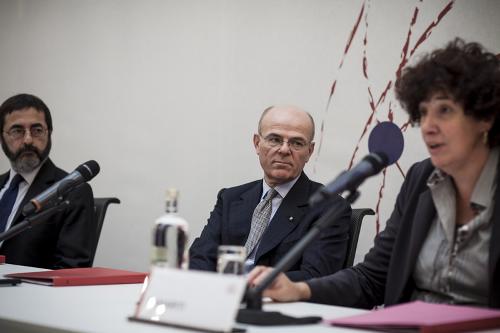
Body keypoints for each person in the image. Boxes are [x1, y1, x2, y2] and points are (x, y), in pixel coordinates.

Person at [248, 39, 500, 308]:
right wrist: (298, 290)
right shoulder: (421, 178)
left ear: (485, 117)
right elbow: (372, 279)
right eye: (423, 113)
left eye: (445, 111)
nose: (427, 126)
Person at [189, 105, 351, 281]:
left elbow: (316, 276)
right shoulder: (230, 198)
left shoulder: (328, 207)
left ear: (309, 152)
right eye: (274, 139)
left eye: (297, 143)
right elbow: (200, 257)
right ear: (257, 143)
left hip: (274, 303)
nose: (284, 150)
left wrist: (247, 286)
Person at [0, 93, 96, 269]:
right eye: (17, 131)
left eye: (37, 130)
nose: (28, 140)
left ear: (49, 133)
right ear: (2, 137)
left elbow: (71, 270)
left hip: (30, 294)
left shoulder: (73, 192)